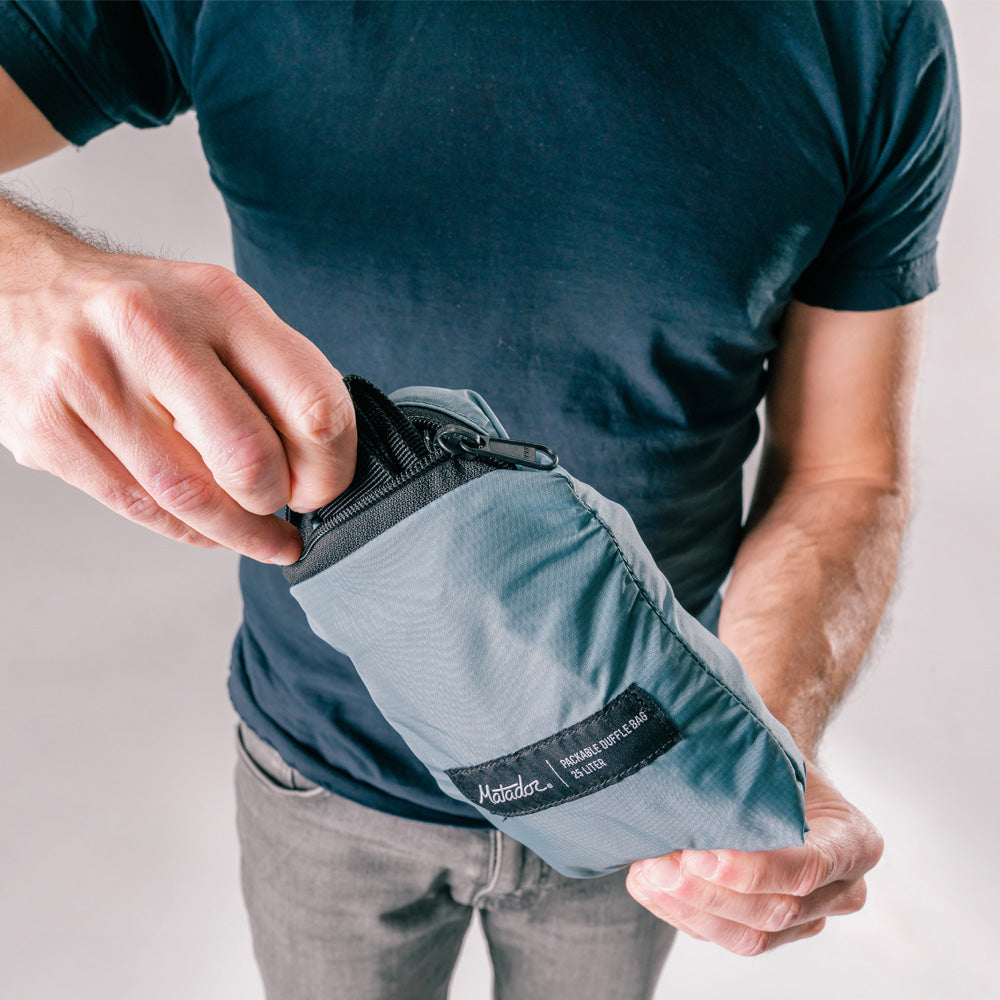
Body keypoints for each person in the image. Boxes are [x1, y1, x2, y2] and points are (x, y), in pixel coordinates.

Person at [0, 2, 959, 997]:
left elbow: (843, 469)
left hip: (644, 800)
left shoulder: (870, 30)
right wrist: (26, 279)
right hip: (323, 765)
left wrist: (750, 749)